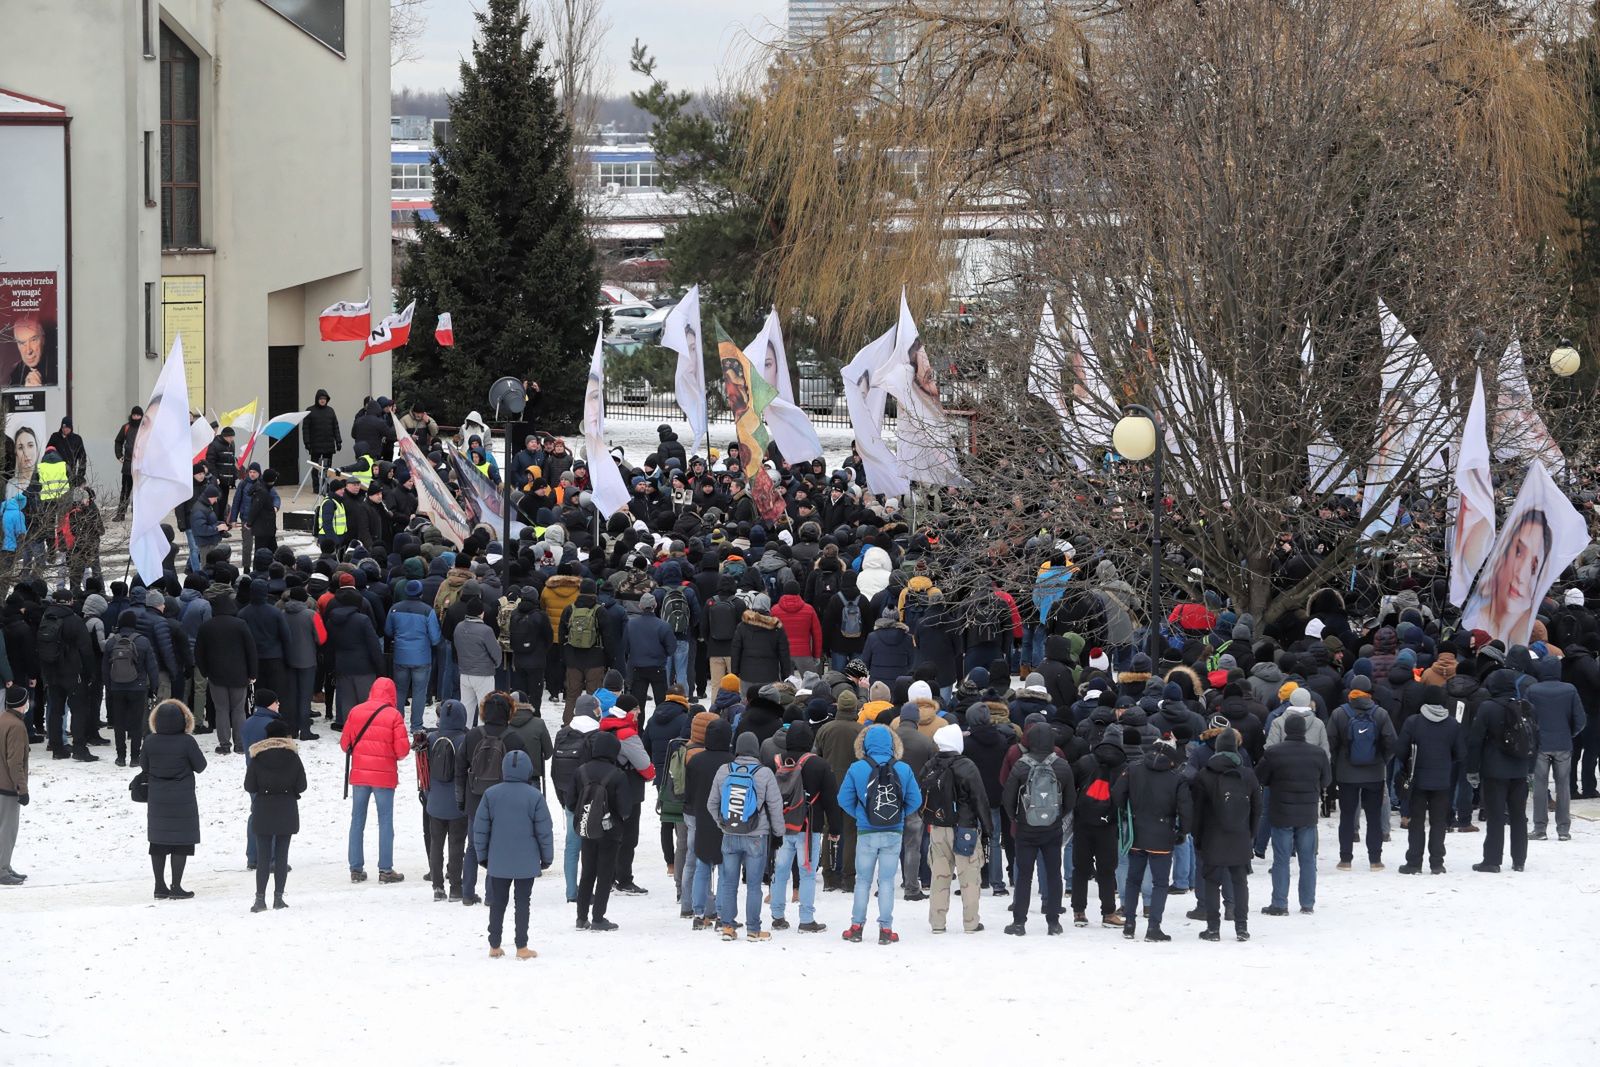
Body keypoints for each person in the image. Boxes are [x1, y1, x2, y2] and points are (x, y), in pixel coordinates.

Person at [836, 722, 922, 944]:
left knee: (862, 881)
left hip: (866, 832)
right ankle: (886, 930)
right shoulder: (903, 769)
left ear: (864, 744)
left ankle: (856, 927)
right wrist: (899, 815)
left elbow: (843, 799)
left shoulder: (857, 768)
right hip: (893, 832)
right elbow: (916, 800)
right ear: (893, 744)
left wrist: (861, 815)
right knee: (886, 882)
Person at [472, 749, 555, 959]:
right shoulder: (535, 796)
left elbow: (480, 829)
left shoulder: (491, 794)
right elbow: (544, 830)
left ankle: (494, 945)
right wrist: (546, 858)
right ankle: (522, 946)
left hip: (498, 860)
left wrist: (482, 856)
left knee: (498, 902)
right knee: (522, 902)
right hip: (526, 861)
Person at [1112, 735, 1191, 942]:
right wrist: (1182, 831)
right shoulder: (1177, 778)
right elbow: (1185, 809)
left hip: (1136, 833)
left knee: (1132, 880)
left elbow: (1118, 793)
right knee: (1161, 883)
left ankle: (1129, 923)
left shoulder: (1133, 769)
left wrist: (1126, 814)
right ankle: (1153, 927)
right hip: (1162, 835)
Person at [708, 731, 785, 941]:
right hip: (756, 836)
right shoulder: (764, 772)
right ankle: (753, 929)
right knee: (753, 886)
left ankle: (727, 927)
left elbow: (711, 803)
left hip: (730, 834)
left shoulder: (724, 770)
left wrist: (723, 824)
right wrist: (778, 832)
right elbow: (775, 806)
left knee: (728, 883)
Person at [767, 720, 839, 932]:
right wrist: (834, 828)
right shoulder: (819, 764)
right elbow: (830, 800)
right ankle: (806, 919)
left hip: (780, 826)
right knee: (806, 872)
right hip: (808, 826)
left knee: (780, 871)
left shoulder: (776, 762)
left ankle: (777, 915)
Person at [1256, 713, 1331, 915]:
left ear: (1286, 730)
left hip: (1281, 812)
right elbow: (1326, 781)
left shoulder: (1274, 752)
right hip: (1307, 813)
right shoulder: (1318, 753)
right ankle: (1307, 903)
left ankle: (1279, 904)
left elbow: (1261, 777)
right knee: (1308, 860)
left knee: (1281, 859)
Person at [1190, 728, 1260, 942]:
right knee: (1240, 882)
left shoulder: (1204, 775)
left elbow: (1198, 811)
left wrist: (1198, 838)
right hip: (1240, 835)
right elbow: (1257, 809)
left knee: (1212, 882)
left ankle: (1213, 928)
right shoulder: (1247, 774)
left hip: (1213, 835)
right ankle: (1242, 927)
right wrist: (1250, 835)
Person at [920, 722, 991, 934]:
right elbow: (979, 798)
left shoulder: (930, 765)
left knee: (939, 876)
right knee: (969, 877)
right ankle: (971, 923)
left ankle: (937, 923)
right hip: (965, 829)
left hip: (938, 827)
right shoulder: (966, 765)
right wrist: (988, 828)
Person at [458, 692, 528, 905]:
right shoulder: (514, 738)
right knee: (496, 847)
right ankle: (492, 895)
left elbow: (460, 769)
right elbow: (524, 772)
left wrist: (461, 800)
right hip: (503, 801)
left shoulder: (471, 736)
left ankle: (467, 893)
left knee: (472, 847)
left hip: (475, 798)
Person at [340, 678, 410, 884]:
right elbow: (403, 750)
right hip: (384, 776)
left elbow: (345, 744)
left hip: (360, 775)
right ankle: (385, 870)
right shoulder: (394, 715)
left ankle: (356, 868)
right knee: (385, 821)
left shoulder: (356, 711)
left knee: (357, 820)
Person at [1468, 669, 1537, 873]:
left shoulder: (1487, 707)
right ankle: (1519, 860)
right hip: (1520, 769)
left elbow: (1475, 741)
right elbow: (1534, 738)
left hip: (1494, 770)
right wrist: (1530, 768)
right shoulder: (1526, 707)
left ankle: (1492, 860)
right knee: (1518, 816)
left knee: (1496, 816)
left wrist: (1472, 769)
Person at [1327, 675, 1397, 870]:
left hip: (1347, 774)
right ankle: (1375, 859)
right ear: (1370, 691)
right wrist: (1382, 760)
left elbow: (1330, 742)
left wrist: (1337, 761)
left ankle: (1345, 859)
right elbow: (1391, 742)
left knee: (1347, 816)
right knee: (1374, 816)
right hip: (1375, 773)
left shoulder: (1339, 713)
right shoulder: (1380, 713)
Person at [140, 699, 207, 900]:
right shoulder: (187, 742)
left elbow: (144, 766)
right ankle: (176, 886)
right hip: (183, 798)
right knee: (181, 842)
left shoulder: (150, 740)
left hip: (158, 798)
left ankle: (159, 886)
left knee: (158, 842)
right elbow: (201, 766)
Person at [1397, 685, 1466, 874]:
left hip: (1417, 779)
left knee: (1417, 821)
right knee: (1439, 822)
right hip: (1442, 780)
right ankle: (1437, 863)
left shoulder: (1413, 722)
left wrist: (1406, 765)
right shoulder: (1452, 724)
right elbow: (1460, 752)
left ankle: (1414, 862)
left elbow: (1400, 750)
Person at [1461, 509, 1552, 647]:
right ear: (1501, 556)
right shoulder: (1471, 622)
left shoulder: (1529, 635)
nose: (1521, 574)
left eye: (1534, 565)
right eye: (1519, 552)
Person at [243, 718, 305, 912]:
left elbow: (249, 786)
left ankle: (259, 899)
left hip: (263, 809)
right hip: (287, 808)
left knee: (263, 857)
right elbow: (302, 785)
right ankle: (278, 898)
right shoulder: (292, 756)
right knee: (281, 855)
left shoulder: (257, 756)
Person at [1524, 655, 1586, 842]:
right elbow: (1580, 719)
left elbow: (1526, 718)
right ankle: (1563, 829)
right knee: (1563, 787)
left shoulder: (1532, 690)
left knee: (1540, 787)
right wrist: (1570, 733)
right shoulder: (1570, 689)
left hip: (1541, 744)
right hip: (1563, 744)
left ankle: (1540, 829)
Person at [572, 728, 628, 932]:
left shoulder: (582, 771)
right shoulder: (618, 775)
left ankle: (580, 918)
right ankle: (598, 917)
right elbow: (625, 809)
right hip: (610, 831)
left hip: (586, 827)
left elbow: (571, 801)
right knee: (605, 874)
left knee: (587, 872)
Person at [1070, 725, 1126, 927]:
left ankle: (1079, 911)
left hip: (1083, 822)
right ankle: (1109, 913)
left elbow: (1070, 783)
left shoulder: (1085, 761)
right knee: (1107, 870)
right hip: (1108, 824)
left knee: (1080, 868)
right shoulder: (1123, 765)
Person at [423, 699, 470, 901]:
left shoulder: (432, 738)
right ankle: (456, 888)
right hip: (458, 803)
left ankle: (437, 886)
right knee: (457, 844)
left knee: (436, 844)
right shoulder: (464, 740)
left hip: (434, 802)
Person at [103, 610, 158, 766]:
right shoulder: (143, 641)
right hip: (138, 687)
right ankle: (135, 757)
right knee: (136, 723)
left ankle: (121, 757)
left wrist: (109, 686)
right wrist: (154, 687)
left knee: (119, 723)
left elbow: (105, 669)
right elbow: (152, 667)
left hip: (117, 688)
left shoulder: (111, 642)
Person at [454, 603, 502, 725]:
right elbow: (496, 652)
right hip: (483, 674)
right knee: (485, 709)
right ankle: (482, 738)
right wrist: (496, 664)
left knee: (466, 709)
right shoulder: (486, 630)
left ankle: (465, 737)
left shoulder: (459, 627)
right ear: (481, 613)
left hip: (465, 673)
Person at [0, 686, 29, 885]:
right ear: (22, 704)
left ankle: (5, 866)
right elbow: (15, 761)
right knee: (7, 830)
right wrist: (22, 789)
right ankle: (2, 870)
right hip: (8, 786)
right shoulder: (17, 727)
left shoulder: (3, 719)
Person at [303, 389, 342, 492]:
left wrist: (338, 441)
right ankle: (316, 487)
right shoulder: (310, 411)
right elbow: (305, 428)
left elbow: (335, 427)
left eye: (324, 399)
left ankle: (325, 487)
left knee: (327, 468)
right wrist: (306, 442)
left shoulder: (330, 411)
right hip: (315, 444)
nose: (322, 400)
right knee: (316, 467)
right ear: (317, 399)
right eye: (321, 398)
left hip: (328, 444)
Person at [112, 406, 143, 520]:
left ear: (141, 416)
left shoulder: (145, 428)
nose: (136, 417)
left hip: (141, 465)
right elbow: (118, 441)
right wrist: (119, 455)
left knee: (140, 491)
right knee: (125, 490)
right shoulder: (126, 427)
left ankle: (138, 514)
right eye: (134, 415)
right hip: (128, 464)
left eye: (138, 415)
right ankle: (121, 514)